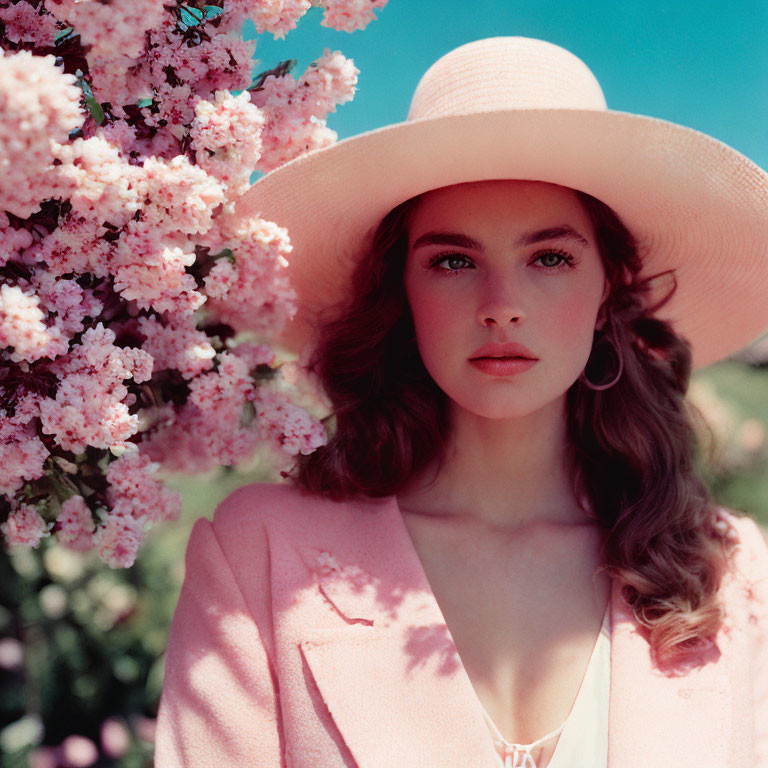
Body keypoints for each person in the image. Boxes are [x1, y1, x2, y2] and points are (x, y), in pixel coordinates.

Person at [153, 37, 768, 768]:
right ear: (401, 293)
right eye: (452, 261)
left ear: (610, 289)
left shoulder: (728, 569)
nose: (501, 306)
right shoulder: (257, 554)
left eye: (549, 258)